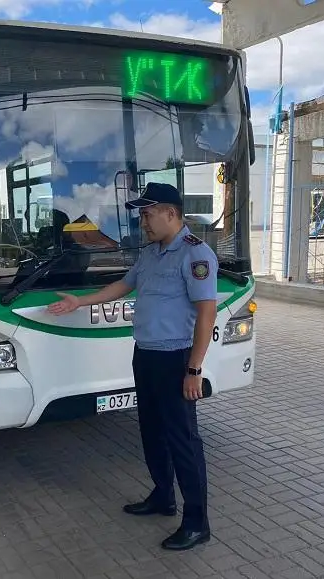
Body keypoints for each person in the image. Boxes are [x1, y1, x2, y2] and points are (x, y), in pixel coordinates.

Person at [47, 182, 218, 551]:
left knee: (184, 441)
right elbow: (123, 286)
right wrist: (80, 301)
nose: (143, 222)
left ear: (170, 213)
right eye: (142, 215)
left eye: (147, 213)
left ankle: (196, 521)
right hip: (146, 355)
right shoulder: (152, 253)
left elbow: (207, 313)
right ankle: (162, 496)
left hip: (176, 360)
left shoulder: (196, 254)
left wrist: (194, 369)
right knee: (152, 432)